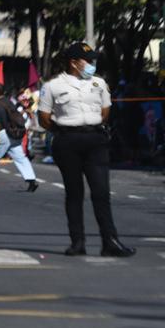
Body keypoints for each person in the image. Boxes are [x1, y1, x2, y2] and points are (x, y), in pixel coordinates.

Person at [38, 43, 135, 257]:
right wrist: (62, 128)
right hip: (67, 140)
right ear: (74, 62)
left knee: (101, 193)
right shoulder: (53, 86)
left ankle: (110, 241)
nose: (91, 64)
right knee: (74, 193)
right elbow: (43, 117)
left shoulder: (99, 83)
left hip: (95, 139)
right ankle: (77, 242)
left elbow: (105, 111)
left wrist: (90, 126)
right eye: (87, 60)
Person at [0, 83, 39, 192]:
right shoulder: (9, 102)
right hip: (15, 134)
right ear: (4, 92)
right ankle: (31, 180)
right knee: (21, 158)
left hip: (3, 134)